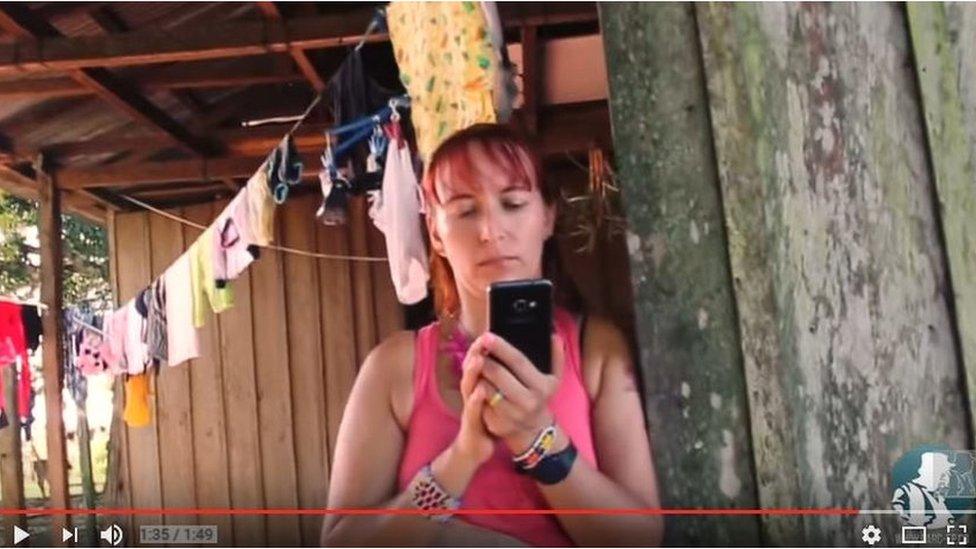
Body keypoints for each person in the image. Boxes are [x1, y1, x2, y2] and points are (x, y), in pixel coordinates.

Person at [321, 124, 663, 546]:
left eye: (513, 204)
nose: (490, 231)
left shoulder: (597, 349)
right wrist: (461, 458)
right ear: (436, 234)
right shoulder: (394, 366)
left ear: (548, 217)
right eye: (466, 211)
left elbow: (638, 540)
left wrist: (536, 438)